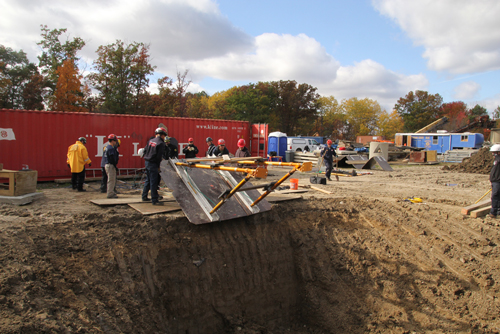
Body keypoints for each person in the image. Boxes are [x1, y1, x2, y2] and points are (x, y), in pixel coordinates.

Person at [142, 127, 167, 205]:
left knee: (148, 180)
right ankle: (154, 200)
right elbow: (158, 156)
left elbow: (145, 151)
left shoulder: (151, 140)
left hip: (147, 162)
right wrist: (159, 166)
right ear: (163, 135)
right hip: (153, 164)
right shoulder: (161, 143)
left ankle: (144, 196)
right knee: (154, 182)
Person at [103, 134, 120, 198]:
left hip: (108, 165)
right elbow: (112, 159)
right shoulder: (110, 148)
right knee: (111, 180)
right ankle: (110, 193)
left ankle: (111, 192)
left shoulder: (108, 147)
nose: (116, 142)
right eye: (115, 141)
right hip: (110, 165)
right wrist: (115, 166)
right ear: (112, 141)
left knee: (111, 179)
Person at [488, 144, 500, 218]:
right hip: (494, 180)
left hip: (498, 181)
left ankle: (494, 213)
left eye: (494, 152)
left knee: (495, 196)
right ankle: (497, 212)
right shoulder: (496, 160)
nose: (493, 154)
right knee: (496, 196)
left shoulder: (498, 159)